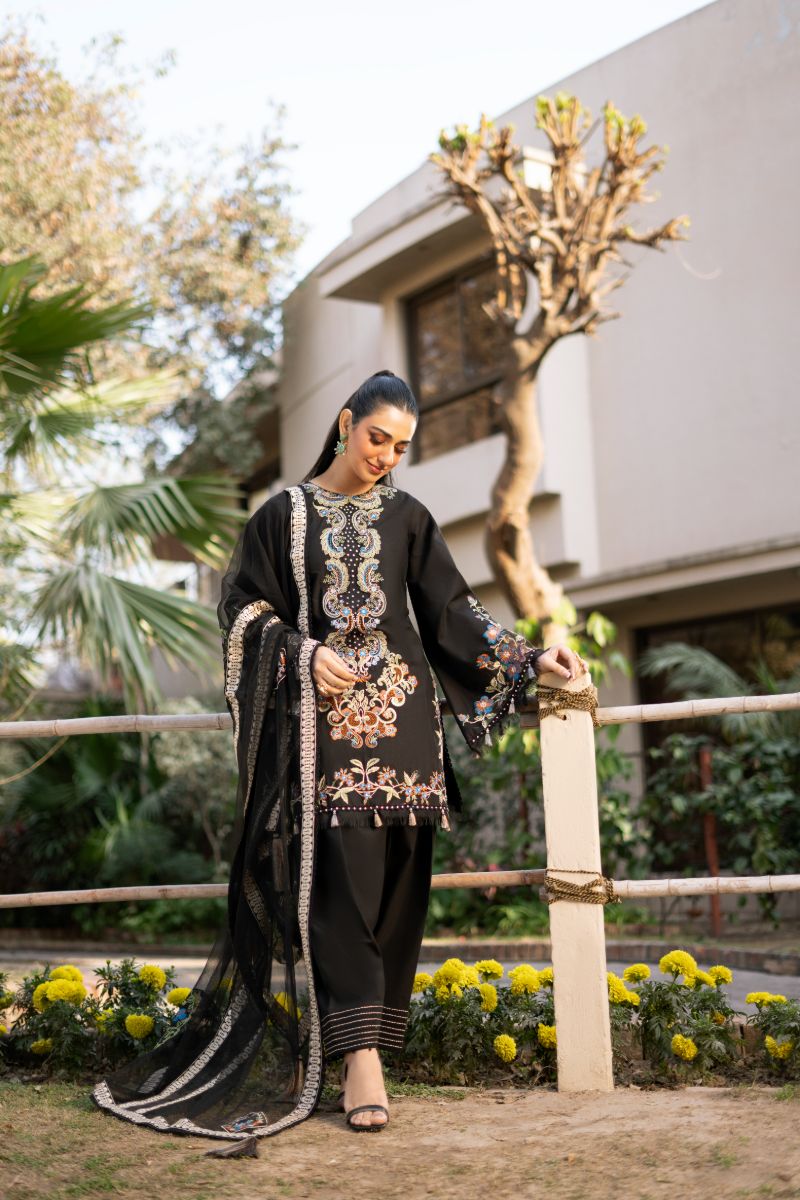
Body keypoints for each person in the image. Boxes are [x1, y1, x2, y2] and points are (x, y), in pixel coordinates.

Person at [91, 369, 585, 1141]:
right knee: (338, 895)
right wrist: (301, 651)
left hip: (407, 736)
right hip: (325, 740)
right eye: (377, 437)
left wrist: (530, 660)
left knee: (397, 895)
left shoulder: (409, 517)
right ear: (348, 423)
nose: (386, 455)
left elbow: (453, 614)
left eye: (401, 446)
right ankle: (361, 1061)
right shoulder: (282, 516)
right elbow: (242, 611)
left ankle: (369, 1045)